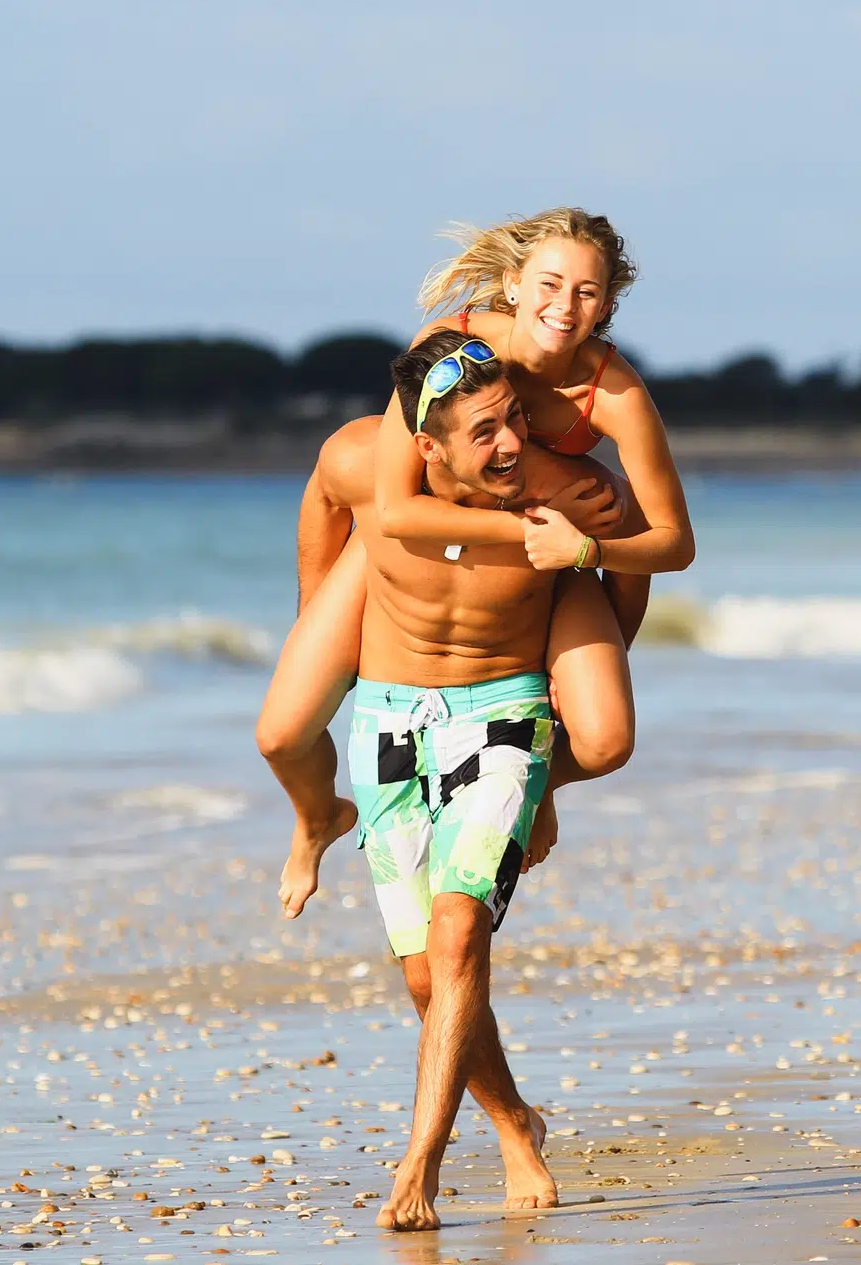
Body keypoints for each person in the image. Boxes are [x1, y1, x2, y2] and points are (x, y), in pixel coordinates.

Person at [260, 331, 629, 1228]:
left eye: (514, 423)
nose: (509, 446)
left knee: (461, 935)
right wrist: (319, 619)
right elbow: (321, 491)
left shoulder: (561, 486)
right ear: (427, 448)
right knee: (431, 981)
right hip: (392, 722)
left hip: (503, 711)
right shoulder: (364, 465)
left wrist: (542, 773)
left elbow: (626, 569)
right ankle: (516, 1126)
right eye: (485, 434)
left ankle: (416, 1167)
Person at [264, 209, 695, 919]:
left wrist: (583, 548)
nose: (564, 307)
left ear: (608, 305)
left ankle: (534, 785)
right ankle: (317, 818)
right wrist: (314, 612)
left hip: (553, 555)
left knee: (607, 724)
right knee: (281, 733)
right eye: (550, 285)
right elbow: (394, 505)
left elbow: (672, 541)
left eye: (586, 293)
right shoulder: (454, 344)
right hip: (458, 532)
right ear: (513, 285)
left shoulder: (615, 395)